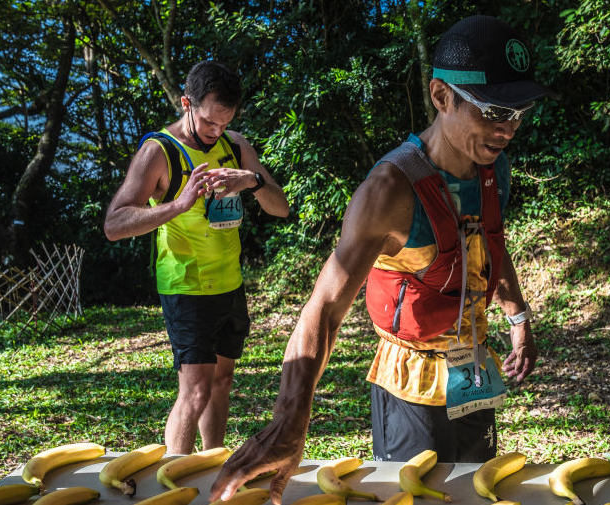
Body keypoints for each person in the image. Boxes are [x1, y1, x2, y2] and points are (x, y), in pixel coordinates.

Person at [210, 15, 549, 503]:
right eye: (494, 110)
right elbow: (323, 308)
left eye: (520, 111)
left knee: (479, 493)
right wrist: (289, 420)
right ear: (440, 96)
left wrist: (518, 316)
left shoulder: (493, 168)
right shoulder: (390, 191)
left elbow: (488, 245)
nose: (508, 129)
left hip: (472, 367)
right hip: (409, 379)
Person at [103, 61, 290, 455]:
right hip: (186, 287)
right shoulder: (159, 151)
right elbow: (115, 224)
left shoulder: (235, 145)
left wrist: (251, 181)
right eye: (208, 123)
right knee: (196, 390)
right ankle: (175, 475)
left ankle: (210, 464)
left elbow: (281, 208)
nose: (216, 132)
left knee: (222, 383)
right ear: (186, 103)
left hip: (230, 284)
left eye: (224, 123)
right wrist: (179, 203)